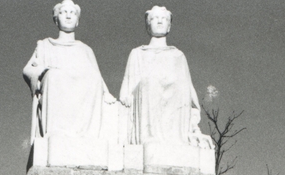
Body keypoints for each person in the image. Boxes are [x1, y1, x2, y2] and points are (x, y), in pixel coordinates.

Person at [119, 6, 214, 149]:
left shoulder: (178, 56)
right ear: (148, 25)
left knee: (180, 86)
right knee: (151, 81)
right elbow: (127, 84)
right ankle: (150, 137)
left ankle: (178, 138)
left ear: (169, 26)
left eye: (163, 19)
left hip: (174, 106)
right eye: (155, 18)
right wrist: (125, 95)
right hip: (146, 96)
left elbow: (188, 88)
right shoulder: (138, 53)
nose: (159, 21)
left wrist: (194, 125)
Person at [23, 0, 115, 143]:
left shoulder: (85, 49)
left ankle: (88, 135)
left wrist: (106, 93)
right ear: (56, 19)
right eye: (63, 12)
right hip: (57, 89)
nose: (68, 16)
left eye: (72, 13)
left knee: (93, 80)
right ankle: (57, 132)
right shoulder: (45, 45)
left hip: (83, 94)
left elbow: (98, 78)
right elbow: (28, 70)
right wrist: (42, 71)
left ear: (77, 21)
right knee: (55, 76)